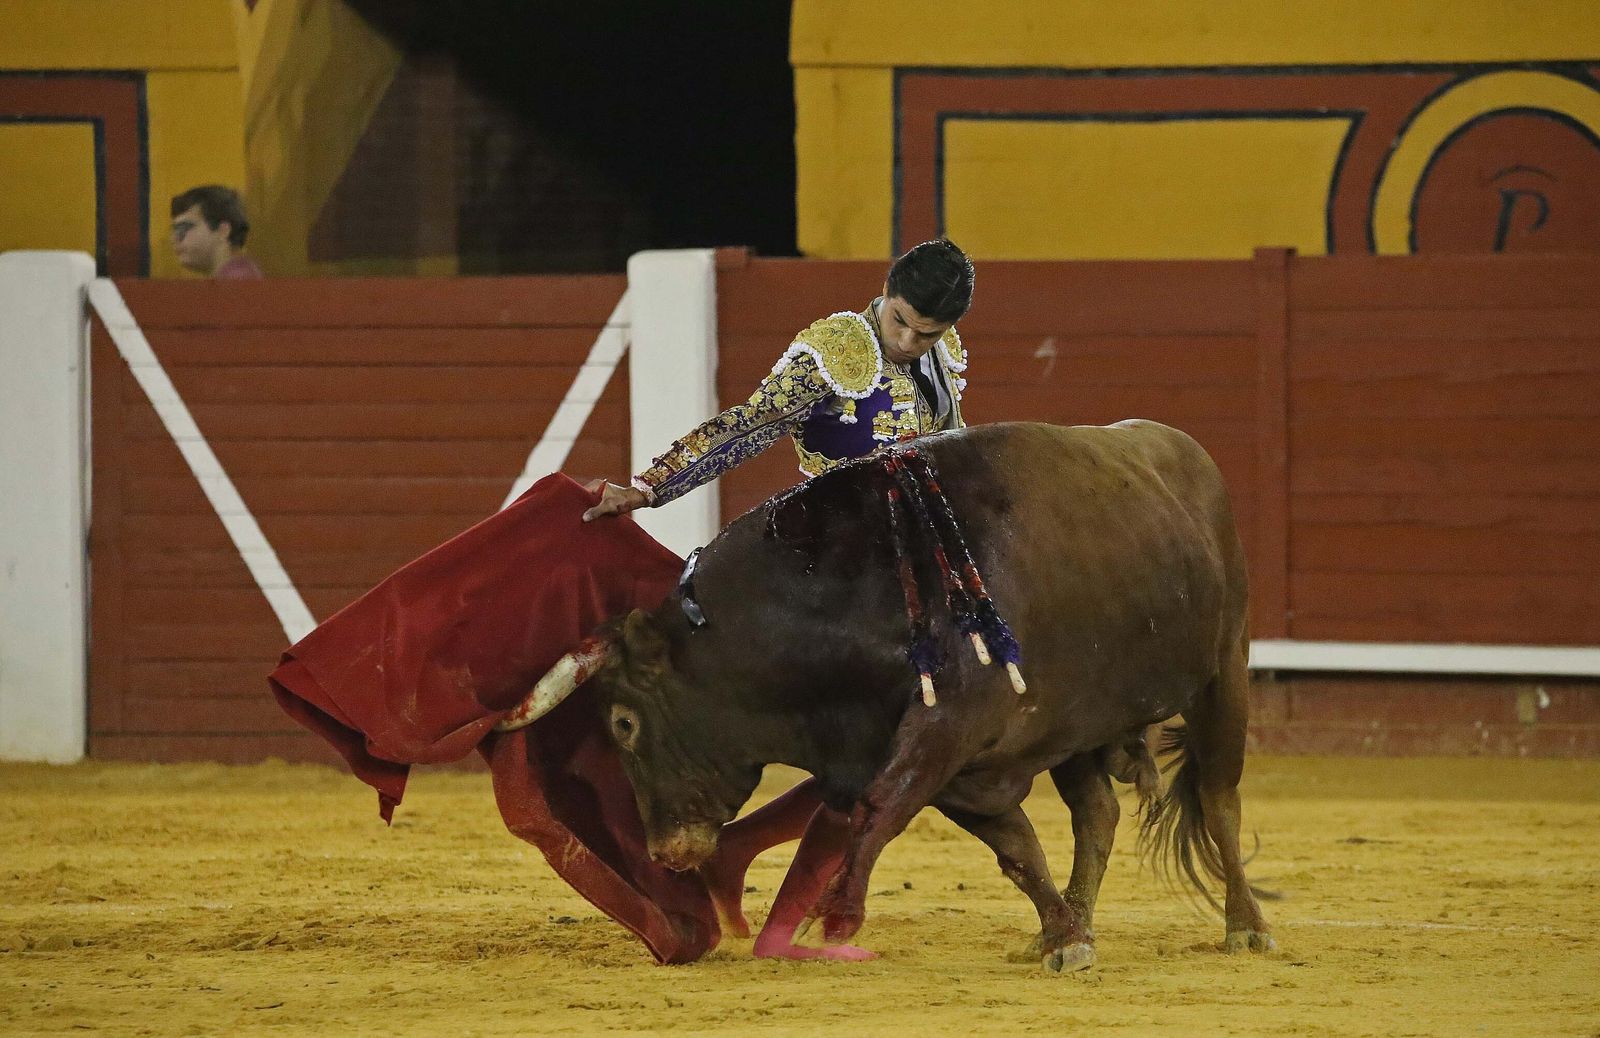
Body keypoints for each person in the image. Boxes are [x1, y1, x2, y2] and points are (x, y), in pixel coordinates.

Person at [583, 238, 975, 522]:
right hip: (842, 531)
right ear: (887, 290)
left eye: (927, 334)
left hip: (923, 525)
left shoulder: (942, 353)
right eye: (900, 321)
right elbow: (747, 427)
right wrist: (647, 489)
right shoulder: (834, 352)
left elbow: (953, 444)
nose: (908, 342)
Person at [169, 185, 264, 279]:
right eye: (175, 230)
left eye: (185, 227)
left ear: (223, 231)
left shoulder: (238, 279)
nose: (174, 238)